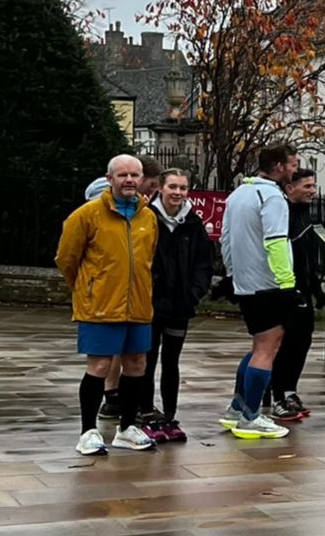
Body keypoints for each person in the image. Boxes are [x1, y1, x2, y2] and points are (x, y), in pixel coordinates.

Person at [58, 155, 160, 455]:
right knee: (100, 366)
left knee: (136, 364)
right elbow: (67, 258)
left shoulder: (148, 217)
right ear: (110, 178)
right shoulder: (88, 215)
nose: (129, 180)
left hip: (139, 305)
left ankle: (127, 428)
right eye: (123, 175)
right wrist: (90, 288)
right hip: (101, 306)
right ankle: (88, 431)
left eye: (135, 175)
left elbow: (148, 258)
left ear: (142, 179)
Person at [217, 144, 301, 440]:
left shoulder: (238, 193)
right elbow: (276, 241)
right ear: (278, 166)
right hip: (269, 284)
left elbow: (225, 238)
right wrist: (287, 284)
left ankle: (237, 408)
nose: (295, 170)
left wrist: (231, 274)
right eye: (292, 164)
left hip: (245, 282)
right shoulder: (273, 197)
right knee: (268, 349)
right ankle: (251, 416)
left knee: (257, 346)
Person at [140, 168, 213, 444]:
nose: (177, 193)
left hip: (180, 306)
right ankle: (145, 411)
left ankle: (169, 414)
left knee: (171, 361)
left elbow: (204, 264)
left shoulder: (193, 224)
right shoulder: (147, 218)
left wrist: (194, 294)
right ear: (160, 187)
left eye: (183, 188)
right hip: (149, 306)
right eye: (173, 186)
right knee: (145, 361)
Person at [268, 168, 321, 422]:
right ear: (290, 188)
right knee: (284, 345)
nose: (312, 190)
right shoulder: (283, 214)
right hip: (287, 290)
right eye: (307, 186)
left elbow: (309, 256)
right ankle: (277, 395)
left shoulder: (305, 214)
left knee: (302, 342)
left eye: (313, 185)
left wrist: (316, 287)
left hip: (305, 290)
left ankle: (290, 390)